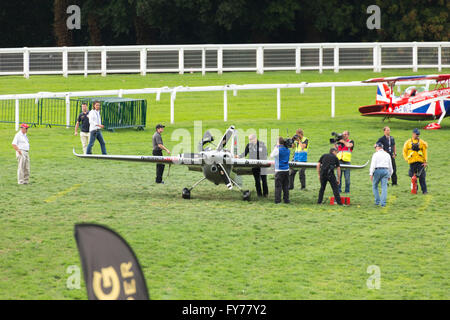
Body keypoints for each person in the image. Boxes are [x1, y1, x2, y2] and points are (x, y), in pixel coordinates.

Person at [402, 128, 428, 194]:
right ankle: (414, 190)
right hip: (412, 162)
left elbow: (425, 152)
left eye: (418, 134)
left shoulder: (422, 142)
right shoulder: (408, 142)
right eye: (416, 134)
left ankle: (424, 191)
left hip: (420, 162)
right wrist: (406, 159)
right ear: (413, 134)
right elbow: (404, 151)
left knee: (422, 177)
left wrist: (425, 162)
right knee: (413, 177)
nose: (417, 135)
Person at [370, 142, 393, 207]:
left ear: (377, 147)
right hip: (386, 171)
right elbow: (390, 166)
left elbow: (373, 165)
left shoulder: (375, 154)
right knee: (384, 187)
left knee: (375, 186)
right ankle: (383, 203)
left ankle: (377, 201)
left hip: (377, 170)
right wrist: (390, 175)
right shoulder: (387, 154)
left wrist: (371, 173)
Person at [270, 137, 291, 204]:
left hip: (279, 170)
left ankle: (278, 200)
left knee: (278, 186)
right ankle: (286, 200)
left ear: (278, 142)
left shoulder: (277, 150)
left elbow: (271, 155)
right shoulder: (287, 150)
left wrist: (276, 147)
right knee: (285, 186)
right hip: (286, 170)